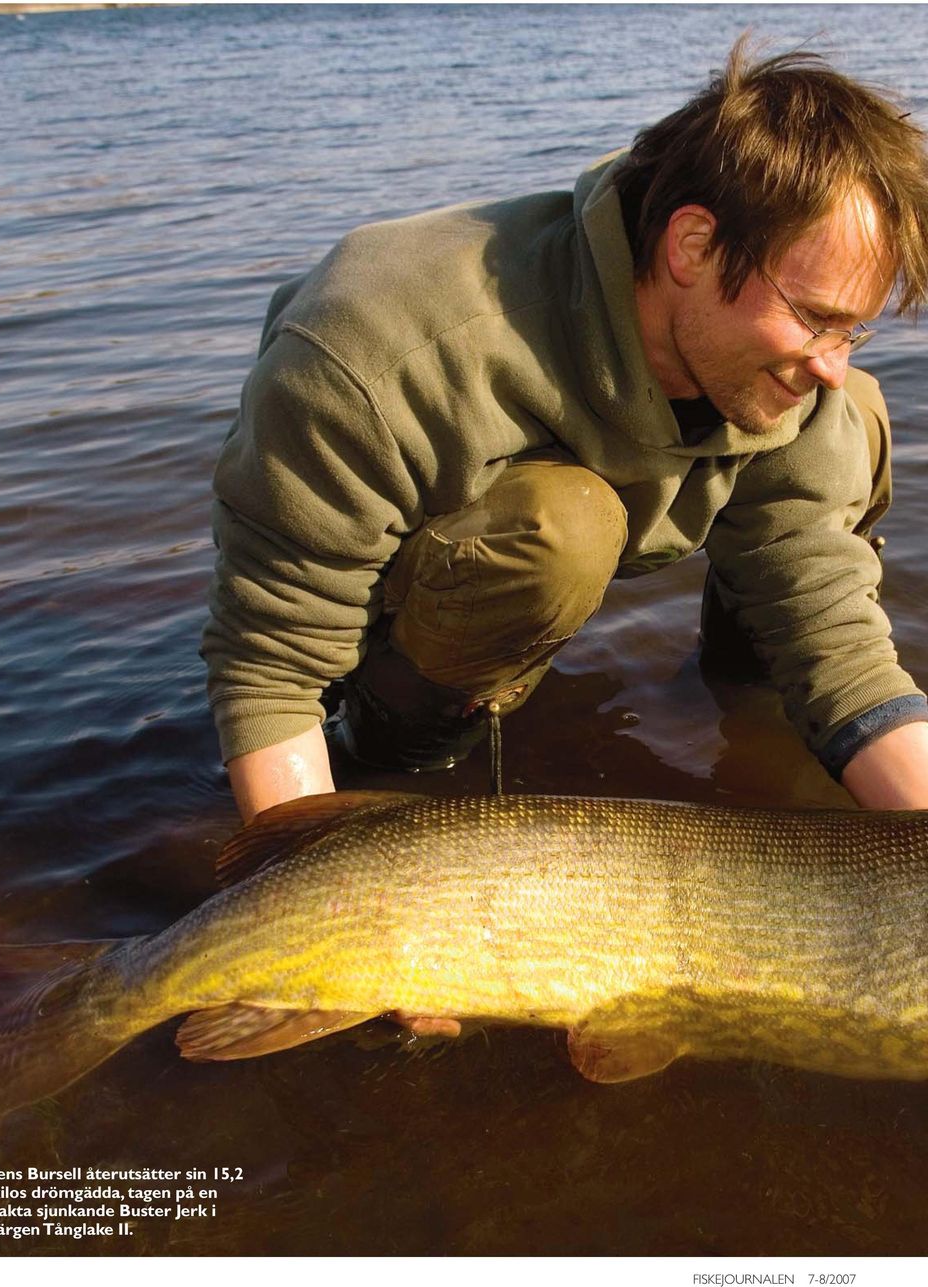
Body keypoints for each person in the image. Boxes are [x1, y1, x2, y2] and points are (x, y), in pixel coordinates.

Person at [203, 39, 928, 827]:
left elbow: (838, 634)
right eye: (816, 317)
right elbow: (272, 669)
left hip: (643, 509)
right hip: (435, 578)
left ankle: (747, 683)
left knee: (859, 415)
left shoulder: (801, 374)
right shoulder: (371, 356)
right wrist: (313, 882)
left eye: (852, 328)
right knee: (562, 530)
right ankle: (402, 739)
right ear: (693, 245)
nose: (827, 361)